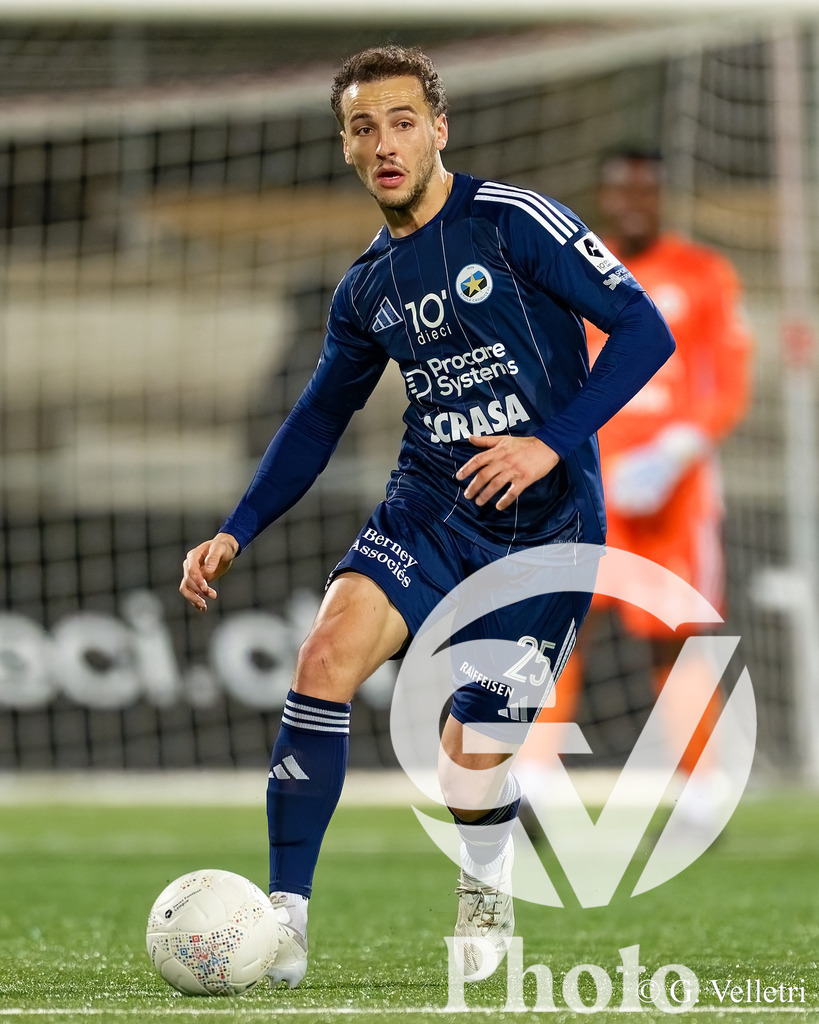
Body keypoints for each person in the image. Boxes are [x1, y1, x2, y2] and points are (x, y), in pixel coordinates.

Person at [179, 49, 675, 986]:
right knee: (323, 660)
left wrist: (547, 443)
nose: (385, 142)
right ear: (346, 149)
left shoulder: (513, 223)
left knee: (464, 756)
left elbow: (645, 330)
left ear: (439, 129)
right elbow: (318, 417)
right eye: (364, 127)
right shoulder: (366, 287)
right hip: (431, 506)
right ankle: (284, 922)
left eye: (403, 120)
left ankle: (484, 883)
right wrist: (236, 527)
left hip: (547, 529)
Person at [517, 149, 753, 828]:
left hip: (671, 494)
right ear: (604, 195)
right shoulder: (581, 274)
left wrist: (677, 449)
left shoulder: (703, 276)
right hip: (590, 481)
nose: (631, 202)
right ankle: (533, 775)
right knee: (562, 623)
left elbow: (727, 380)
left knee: (672, 636)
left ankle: (702, 785)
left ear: (660, 196)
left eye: (643, 190)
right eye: (619, 190)